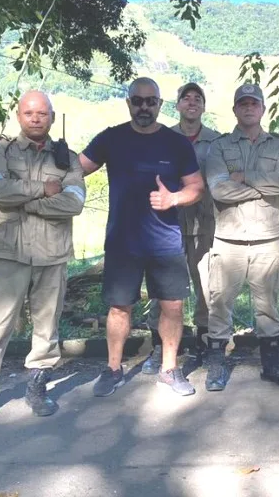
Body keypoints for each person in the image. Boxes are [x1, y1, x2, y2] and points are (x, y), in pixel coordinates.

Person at [0, 90, 85, 430]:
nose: (36, 118)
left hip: (52, 254)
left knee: (47, 327)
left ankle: (38, 387)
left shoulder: (67, 157)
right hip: (10, 252)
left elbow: (74, 202)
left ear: (52, 117)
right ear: (19, 116)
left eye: (42, 113)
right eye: (29, 113)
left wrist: (23, 199)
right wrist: (43, 191)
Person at [79, 77, 205, 397]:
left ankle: (169, 368)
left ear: (160, 105)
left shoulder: (176, 143)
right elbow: (76, 167)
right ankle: (112, 369)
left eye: (151, 101)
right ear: (129, 103)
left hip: (165, 242)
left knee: (173, 307)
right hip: (123, 241)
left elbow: (196, 187)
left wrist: (174, 199)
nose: (144, 107)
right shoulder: (112, 139)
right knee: (120, 307)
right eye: (138, 100)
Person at [203, 83, 279, 391]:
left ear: (262, 108)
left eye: (254, 103)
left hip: (267, 240)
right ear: (235, 109)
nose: (248, 108)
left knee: (269, 305)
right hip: (229, 240)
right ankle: (217, 363)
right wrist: (262, 186)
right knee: (219, 303)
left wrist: (244, 178)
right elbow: (218, 189)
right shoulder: (219, 147)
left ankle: (272, 364)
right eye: (242, 104)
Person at [141, 82, 221, 374]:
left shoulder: (216, 141)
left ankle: (202, 344)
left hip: (204, 225)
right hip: (167, 226)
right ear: (177, 105)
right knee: (162, 290)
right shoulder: (162, 138)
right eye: (185, 98)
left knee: (207, 290)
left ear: (203, 105)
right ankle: (159, 347)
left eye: (197, 98)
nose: (191, 103)